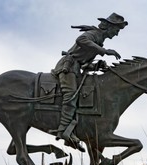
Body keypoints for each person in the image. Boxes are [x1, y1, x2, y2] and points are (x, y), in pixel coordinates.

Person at [50, 13, 128, 151]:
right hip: (67, 67)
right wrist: (104, 51)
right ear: (109, 27)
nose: (117, 34)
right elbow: (81, 39)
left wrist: (96, 66)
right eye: (117, 30)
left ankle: (73, 129)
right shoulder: (94, 34)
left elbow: (83, 63)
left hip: (76, 68)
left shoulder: (99, 39)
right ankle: (63, 131)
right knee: (71, 95)